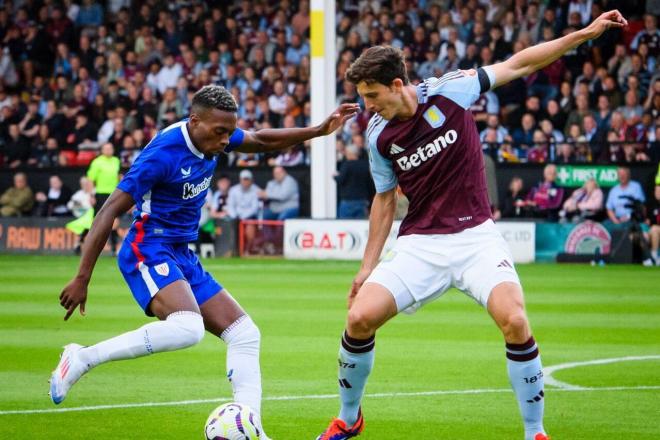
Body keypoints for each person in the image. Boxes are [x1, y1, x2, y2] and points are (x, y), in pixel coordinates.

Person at [316, 10, 628, 440]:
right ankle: (349, 420)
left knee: (516, 321)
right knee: (358, 319)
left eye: (372, 95)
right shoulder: (377, 134)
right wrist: (366, 267)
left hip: (476, 237)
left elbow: (520, 62)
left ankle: (535, 432)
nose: (367, 105)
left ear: (397, 85)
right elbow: (384, 200)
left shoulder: (452, 91)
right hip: (420, 244)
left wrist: (587, 33)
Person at [50, 85, 358, 437]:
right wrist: (82, 277)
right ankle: (82, 357)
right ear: (194, 120)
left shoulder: (214, 132)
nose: (227, 140)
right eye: (220, 132)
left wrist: (318, 130)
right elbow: (108, 212)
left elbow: (258, 140)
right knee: (188, 327)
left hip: (180, 251)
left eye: (230, 131)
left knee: (244, 334)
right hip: (147, 247)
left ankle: (249, 428)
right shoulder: (163, 154)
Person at [86, 142, 121, 255]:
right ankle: (90, 247)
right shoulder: (97, 162)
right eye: (106, 148)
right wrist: (91, 195)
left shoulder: (116, 161)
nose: (109, 150)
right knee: (98, 222)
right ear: (102, 150)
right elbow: (90, 179)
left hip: (114, 194)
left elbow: (119, 176)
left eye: (110, 148)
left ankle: (113, 247)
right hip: (101, 194)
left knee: (115, 221)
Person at [335, 144, 372, 219]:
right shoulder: (365, 165)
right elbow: (370, 183)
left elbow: (340, 180)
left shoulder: (347, 165)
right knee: (359, 226)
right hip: (362, 200)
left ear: (349, 153)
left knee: (345, 226)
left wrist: (335, 176)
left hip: (347, 201)